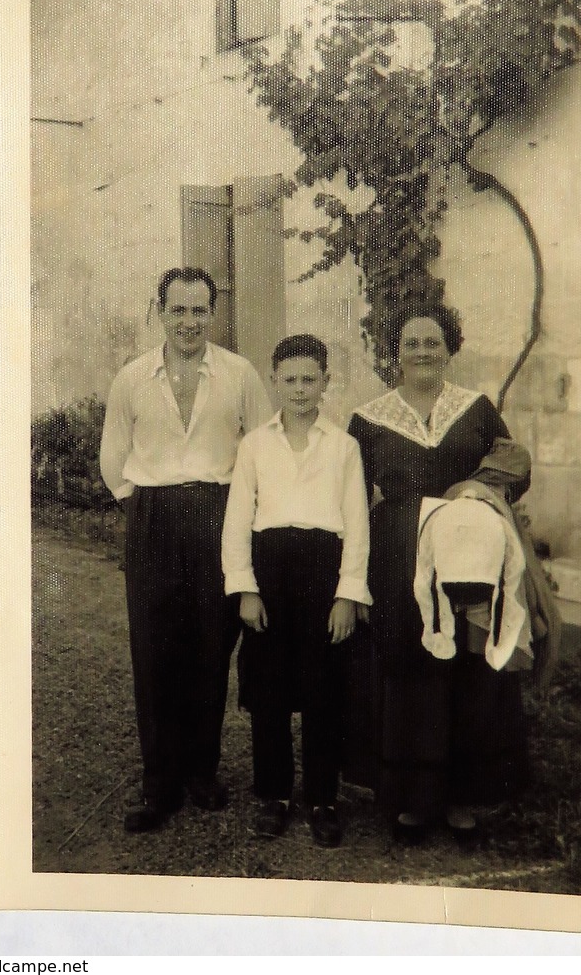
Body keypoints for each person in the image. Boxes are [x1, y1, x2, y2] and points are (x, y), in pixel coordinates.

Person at [347, 302, 536, 846]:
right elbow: (352, 501)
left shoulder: (475, 410)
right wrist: (354, 580)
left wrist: (477, 489)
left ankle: (461, 797)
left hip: (469, 562)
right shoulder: (369, 419)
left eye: (434, 342)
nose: (423, 351)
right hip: (398, 565)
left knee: (469, 671)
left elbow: (513, 467)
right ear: (396, 352)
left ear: (450, 349)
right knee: (412, 669)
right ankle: (413, 800)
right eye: (412, 342)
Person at [100, 266, 272, 833]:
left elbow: (262, 446)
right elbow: (113, 457)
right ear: (160, 310)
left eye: (200, 311)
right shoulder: (132, 378)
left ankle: (202, 771)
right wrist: (141, 509)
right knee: (154, 651)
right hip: (152, 518)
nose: (189, 322)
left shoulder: (239, 374)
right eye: (179, 310)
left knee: (208, 647)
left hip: (218, 516)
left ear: (213, 313)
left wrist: (239, 516)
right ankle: (160, 783)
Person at [221, 334, 370, 848]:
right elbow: (238, 520)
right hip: (271, 577)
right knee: (270, 694)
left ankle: (323, 799)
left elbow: (357, 522)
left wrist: (348, 594)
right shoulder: (255, 444)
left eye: (311, 379)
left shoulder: (344, 446)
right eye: (290, 379)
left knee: (324, 694)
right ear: (274, 381)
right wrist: (245, 588)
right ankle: (273, 795)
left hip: (324, 575)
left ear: (326, 383)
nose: (301, 389)